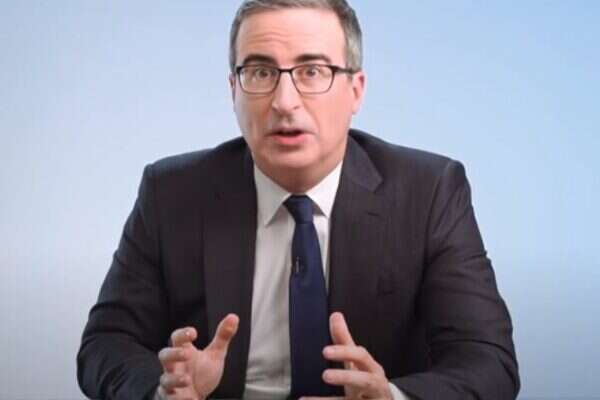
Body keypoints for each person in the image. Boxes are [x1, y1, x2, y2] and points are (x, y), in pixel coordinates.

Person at [77, 1, 519, 399]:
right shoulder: (172, 192)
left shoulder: (428, 191)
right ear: (233, 90)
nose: (285, 102)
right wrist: (163, 391)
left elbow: (488, 361)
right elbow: (105, 344)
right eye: (261, 72)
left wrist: (392, 397)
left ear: (356, 90)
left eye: (312, 71)